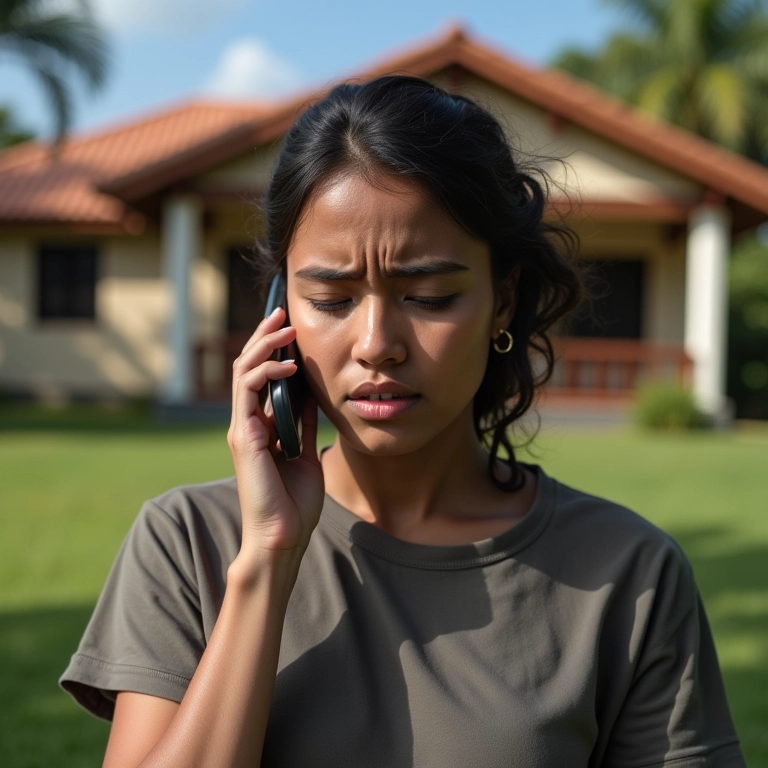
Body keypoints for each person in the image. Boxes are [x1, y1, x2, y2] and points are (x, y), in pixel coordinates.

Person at [60, 75, 745, 767]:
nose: (376, 343)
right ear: (279, 312)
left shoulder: (627, 573)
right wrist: (267, 560)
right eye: (331, 299)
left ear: (503, 301)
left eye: (429, 295)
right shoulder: (188, 546)